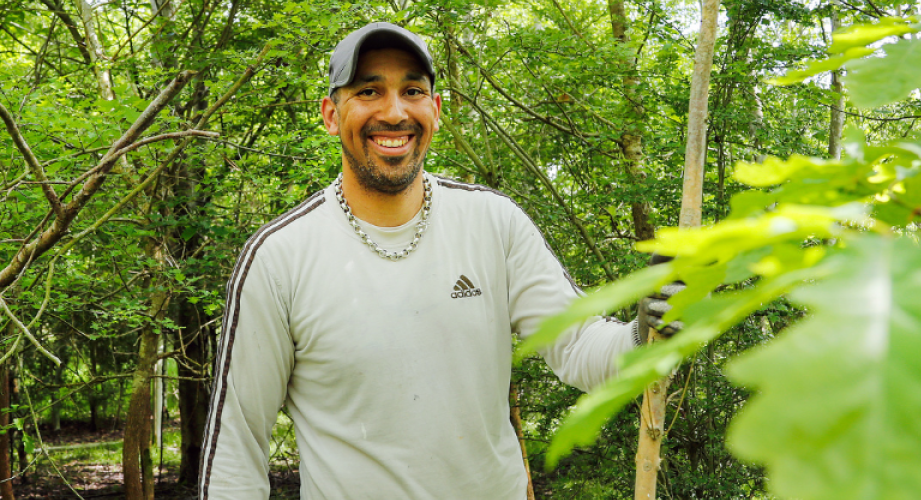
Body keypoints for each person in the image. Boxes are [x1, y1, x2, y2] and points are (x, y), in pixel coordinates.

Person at [198, 22, 680, 500]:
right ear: (329, 114)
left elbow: (577, 348)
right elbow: (236, 449)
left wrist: (644, 334)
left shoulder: (492, 221)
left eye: (412, 90)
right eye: (368, 91)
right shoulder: (280, 257)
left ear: (435, 109)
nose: (394, 111)